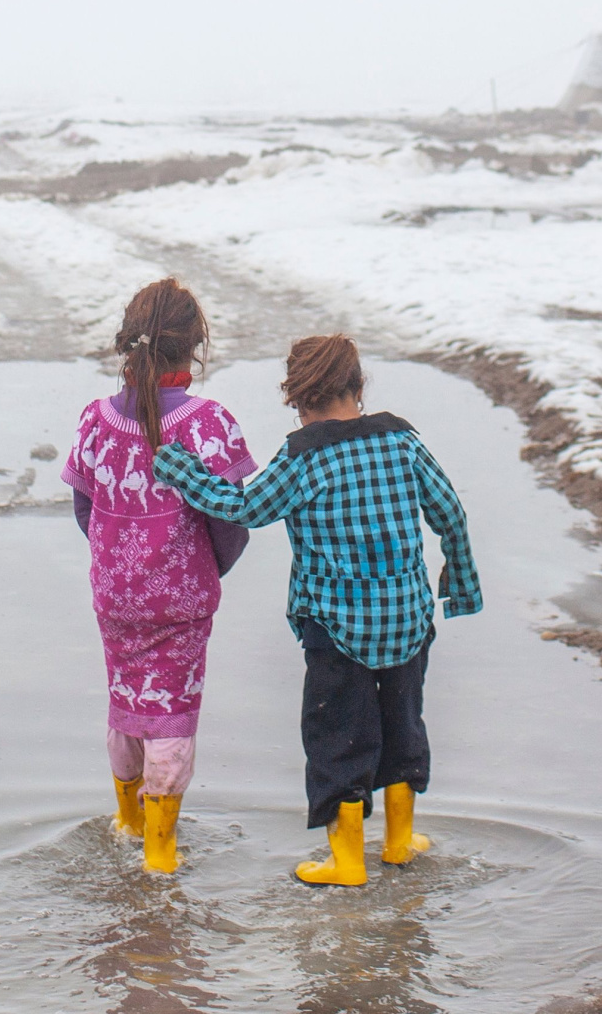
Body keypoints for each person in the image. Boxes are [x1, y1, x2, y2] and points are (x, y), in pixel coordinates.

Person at [152, 334, 482, 887]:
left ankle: (348, 861)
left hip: (336, 629)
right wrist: (460, 582)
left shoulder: (304, 457)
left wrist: (183, 470)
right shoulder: (402, 441)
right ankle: (399, 843)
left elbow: (246, 507)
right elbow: (449, 511)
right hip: (407, 618)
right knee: (404, 726)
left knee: (339, 737)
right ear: (358, 387)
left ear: (298, 399)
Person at [60, 278, 257, 874]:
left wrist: (116, 558)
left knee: (127, 704)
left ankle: (125, 821)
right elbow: (232, 518)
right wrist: (207, 567)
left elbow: (84, 507)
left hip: (115, 594)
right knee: (171, 714)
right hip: (182, 600)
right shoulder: (207, 423)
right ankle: (160, 855)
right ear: (194, 346)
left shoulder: (97, 419)